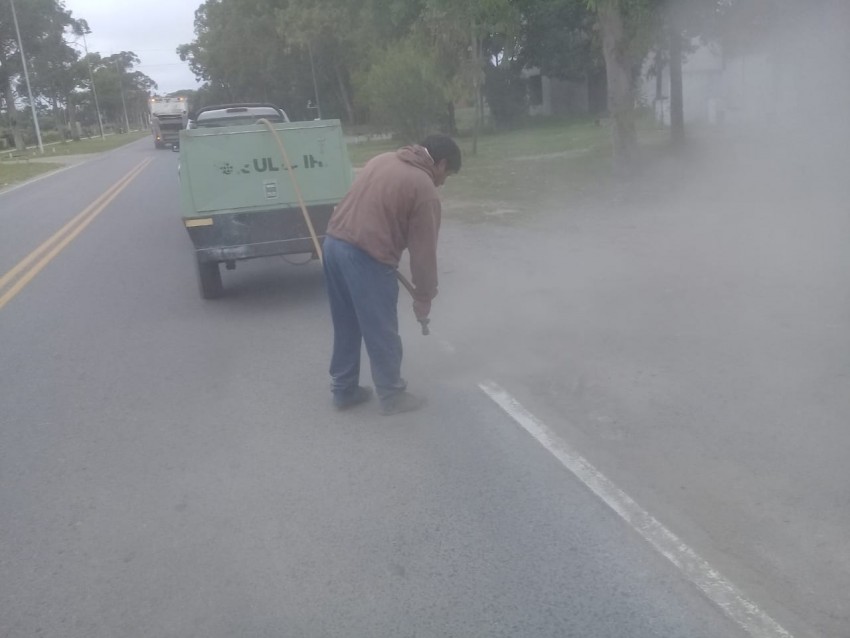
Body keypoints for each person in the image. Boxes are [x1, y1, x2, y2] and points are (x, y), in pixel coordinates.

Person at [323, 134, 461, 415]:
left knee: (347, 323)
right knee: (381, 329)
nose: (443, 182)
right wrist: (424, 296)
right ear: (441, 163)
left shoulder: (382, 159)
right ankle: (392, 395)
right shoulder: (424, 188)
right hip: (366, 257)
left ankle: (344, 390)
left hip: (333, 246)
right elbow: (423, 255)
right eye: (446, 175)